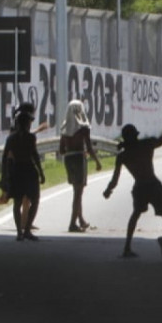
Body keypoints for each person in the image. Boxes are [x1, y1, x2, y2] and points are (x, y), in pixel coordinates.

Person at [102, 100, 162, 260]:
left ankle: (127, 247)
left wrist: (108, 190)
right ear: (136, 136)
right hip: (153, 185)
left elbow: (115, 180)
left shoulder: (123, 156)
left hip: (139, 188)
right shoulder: (146, 144)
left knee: (135, 215)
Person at [59, 99, 102, 232]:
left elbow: (61, 150)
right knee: (78, 193)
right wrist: (97, 161)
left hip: (68, 159)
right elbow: (89, 147)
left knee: (76, 191)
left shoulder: (65, 127)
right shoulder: (84, 128)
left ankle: (81, 219)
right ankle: (72, 223)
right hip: (78, 158)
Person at [4, 110, 45, 241]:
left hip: (16, 170)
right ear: (26, 124)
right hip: (28, 169)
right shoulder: (30, 137)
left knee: (17, 202)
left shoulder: (11, 138)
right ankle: (26, 230)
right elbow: (35, 155)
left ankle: (19, 232)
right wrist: (41, 172)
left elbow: (5, 157)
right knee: (35, 199)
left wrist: (5, 174)